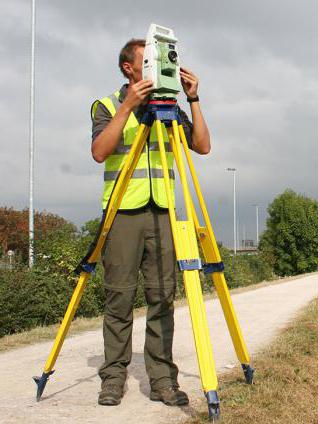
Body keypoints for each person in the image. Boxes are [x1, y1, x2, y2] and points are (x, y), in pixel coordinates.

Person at [90, 38, 211, 406]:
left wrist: (192, 99)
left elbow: (202, 146)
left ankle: (162, 379)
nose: (155, 67)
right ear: (128, 68)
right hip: (122, 211)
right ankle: (113, 377)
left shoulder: (169, 106)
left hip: (162, 213)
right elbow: (99, 152)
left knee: (162, 298)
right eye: (147, 61)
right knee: (119, 299)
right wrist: (128, 107)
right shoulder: (107, 105)